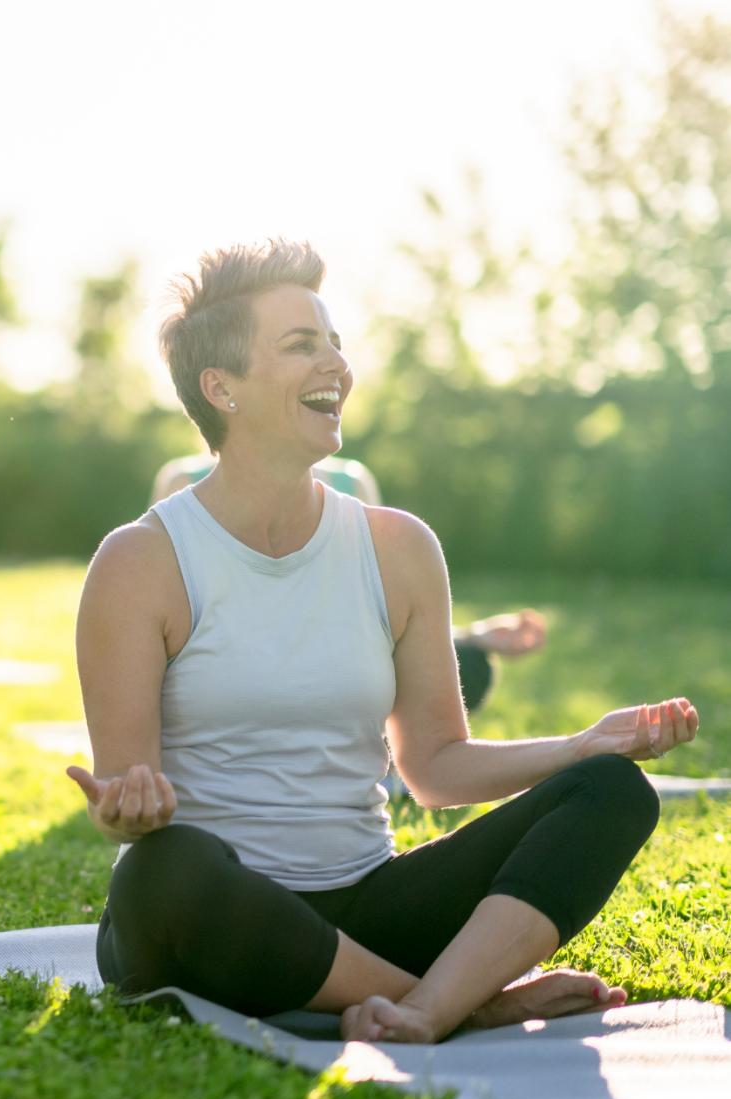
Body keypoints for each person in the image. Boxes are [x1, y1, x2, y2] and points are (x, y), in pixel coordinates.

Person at [68, 240, 698, 1044]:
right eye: (302, 344)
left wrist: (580, 745)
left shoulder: (398, 548)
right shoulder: (140, 561)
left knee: (611, 790)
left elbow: (433, 766)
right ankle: (475, 1002)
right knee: (161, 873)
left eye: (334, 340)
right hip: (213, 914)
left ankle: (425, 1008)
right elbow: (129, 795)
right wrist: (131, 808)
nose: (337, 362)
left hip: (371, 907)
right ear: (220, 387)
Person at [150, 453, 548, 716]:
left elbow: (378, 607)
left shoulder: (352, 482)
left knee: (470, 667)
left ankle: (384, 759)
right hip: (231, 658)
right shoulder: (183, 482)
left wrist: (469, 636)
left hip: (336, 653)